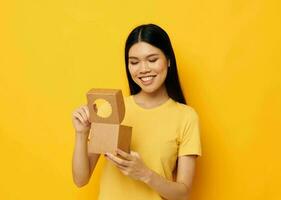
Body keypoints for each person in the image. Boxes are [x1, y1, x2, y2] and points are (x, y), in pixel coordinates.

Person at [72, 24, 202, 200]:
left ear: (168, 60)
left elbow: (183, 194)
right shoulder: (110, 109)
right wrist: (81, 133)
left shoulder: (186, 117)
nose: (143, 69)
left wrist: (144, 173)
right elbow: (81, 179)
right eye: (134, 62)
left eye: (152, 59)